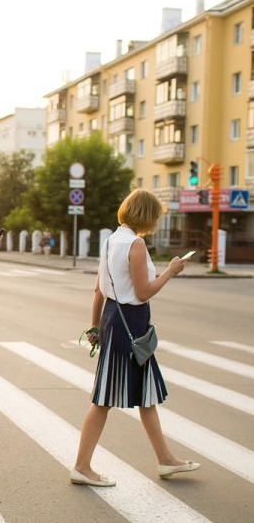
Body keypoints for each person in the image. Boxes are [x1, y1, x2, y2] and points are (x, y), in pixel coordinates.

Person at [71, 189, 200, 487]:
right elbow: (143, 292)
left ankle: (166, 460)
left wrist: (94, 328)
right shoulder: (135, 244)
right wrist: (170, 271)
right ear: (146, 215)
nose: (155, 222)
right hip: (131, 321)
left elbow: (98, 291)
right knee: (104, 398)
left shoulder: (109, 242)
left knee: (145, 395)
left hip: (113, 320)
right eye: (154, 216)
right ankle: (81, 466)